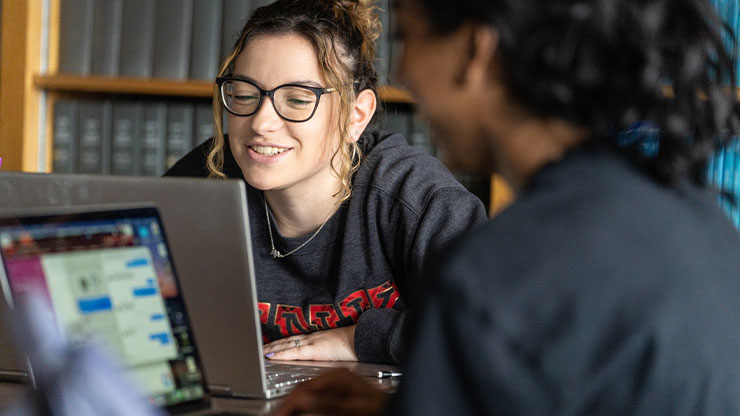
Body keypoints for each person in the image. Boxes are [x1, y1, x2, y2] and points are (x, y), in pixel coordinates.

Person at [276, 0, 740, 414]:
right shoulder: (703, 223)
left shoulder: (493, 278)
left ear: (477, 51)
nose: (403, 71)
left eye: (406, 37)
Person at [165, 0, 486, 364]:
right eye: (244, 95)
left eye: (298, 100)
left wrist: (359, 341)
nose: (260, 122)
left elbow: (493, 332)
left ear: (356, 115)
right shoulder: (203, 180)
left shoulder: (417, 198)